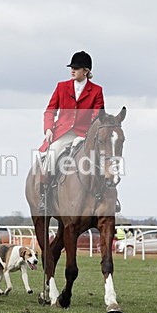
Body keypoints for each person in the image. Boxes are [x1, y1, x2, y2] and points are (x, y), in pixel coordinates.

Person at [36, 50, 105, 212]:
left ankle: (107, 197)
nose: (72, 70)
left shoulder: (96, 91)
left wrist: (87, 135)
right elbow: (50, 111)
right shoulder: (61, 87)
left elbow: (97, 116)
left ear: (86, 71)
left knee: (103, 162)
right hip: (63, 134)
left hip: (85, 135)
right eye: (71, 67)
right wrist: (48, 129)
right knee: (51, 158)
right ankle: (44, 197)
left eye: (76, 68)